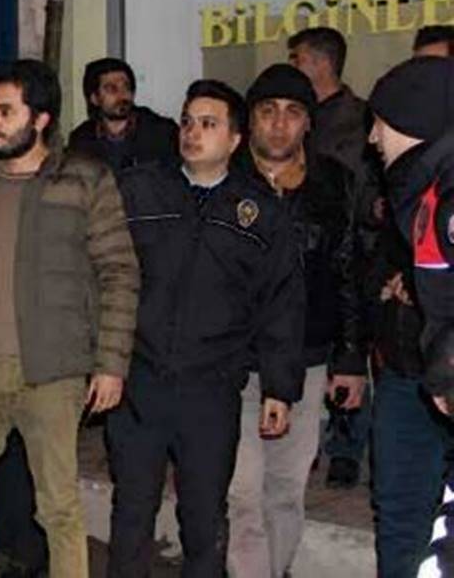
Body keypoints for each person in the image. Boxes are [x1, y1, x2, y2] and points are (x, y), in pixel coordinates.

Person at [0, 59, 140, 578]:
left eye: (6, 111)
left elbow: (120, 272)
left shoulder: (85, 179)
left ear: (40, 119)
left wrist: (111, 365)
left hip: (53, 371)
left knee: (58, 507)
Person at [107, 79, 305, 578]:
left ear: (235, 139)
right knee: (131, 512)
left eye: (208, 124)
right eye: (188, 122)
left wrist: (279, 387)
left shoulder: (259, 212)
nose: (193, 133)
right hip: (140, 381)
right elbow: (103, 275)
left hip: (211, 388)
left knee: (204, 519)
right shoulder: (140, 190)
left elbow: (281, 303)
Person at [225, 64, 366, 578]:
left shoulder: (333, 183)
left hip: (307, 359)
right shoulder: (225, 180)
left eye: (293, 112)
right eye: (268, 111)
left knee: (285, 490)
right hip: (234, 361)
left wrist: (350, 358)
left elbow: (348, 270)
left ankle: (275, 569)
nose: (280, 123)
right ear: (251, 119)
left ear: (309, 122)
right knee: (242, 492)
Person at [364, 55, 454, 576]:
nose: (373, 137)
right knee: (400, 515)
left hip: (438, 375)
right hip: (404, 370)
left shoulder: (445, 192)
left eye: (380, 122)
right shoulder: (415, 189)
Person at [287, 25, 374, 488]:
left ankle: (346, 446)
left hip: (354, 245)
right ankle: (307, 444)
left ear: (321, 63)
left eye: (298, 58)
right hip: (310, 248)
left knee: (350, 346)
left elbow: (366, 191)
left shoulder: (357, 120)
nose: (293, 67)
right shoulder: (299, 117)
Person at [66, 57, 179, 173]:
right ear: (94, 98)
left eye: (126, 87)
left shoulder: (162, 132)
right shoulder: (81, 141)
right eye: (111, 89)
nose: (122, 95)